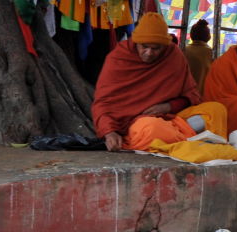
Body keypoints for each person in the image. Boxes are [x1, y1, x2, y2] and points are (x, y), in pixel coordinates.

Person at [91, 12, 227, 152]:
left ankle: (179, 139)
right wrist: (109, 132)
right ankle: (193, 140)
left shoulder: (173, 55)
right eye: (144, 47)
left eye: (156, 48)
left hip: (173, 119)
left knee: (216, 110)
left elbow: (191, 95)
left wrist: (169, 106)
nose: (149, 53)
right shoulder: (119, 57)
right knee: (152, 129)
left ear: (165, 46)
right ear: (135, 42)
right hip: (138, 124)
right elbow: (102, 103)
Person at [184, 19, 213, 93]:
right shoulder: (211, 53)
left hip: (184, 97)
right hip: (204, 98)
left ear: (191, 35)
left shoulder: (183, 51)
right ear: (208, 37)